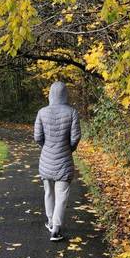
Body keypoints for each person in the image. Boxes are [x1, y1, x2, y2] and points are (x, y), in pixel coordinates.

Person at [34, 81, 81, 241]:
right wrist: (69, 149)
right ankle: (56, 229)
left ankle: (49, 221)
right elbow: (75, 137)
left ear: (50, 94)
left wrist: (46, 147)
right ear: (65, 94)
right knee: (62, 195)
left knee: (48, 192)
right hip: (64, 161)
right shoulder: (72, 112)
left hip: (46, 160)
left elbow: (37, 137)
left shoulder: (42, 112)